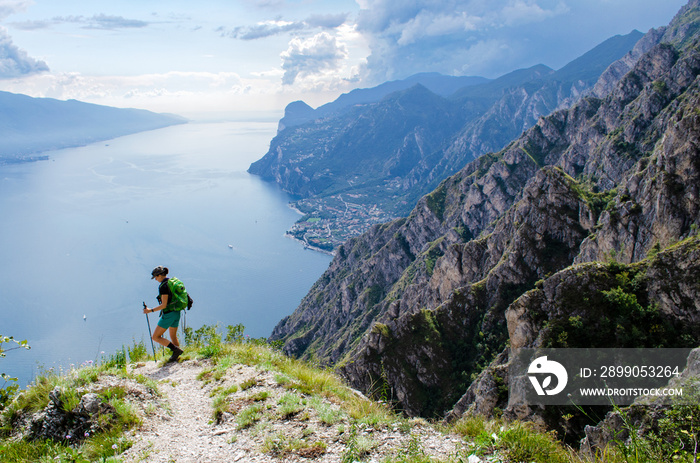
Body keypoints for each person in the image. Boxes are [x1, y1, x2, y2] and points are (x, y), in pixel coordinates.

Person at [143, 266, 184, 362]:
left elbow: (164, 305)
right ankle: (176, 357)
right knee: (173, 336)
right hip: (176, 312)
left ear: (160, 275)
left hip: (169, 314)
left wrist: (150, 310)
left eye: (156, 277)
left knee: (155, 337)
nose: (155, 279)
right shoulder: (171, 282)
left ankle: (175, 350)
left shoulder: (164, 286)